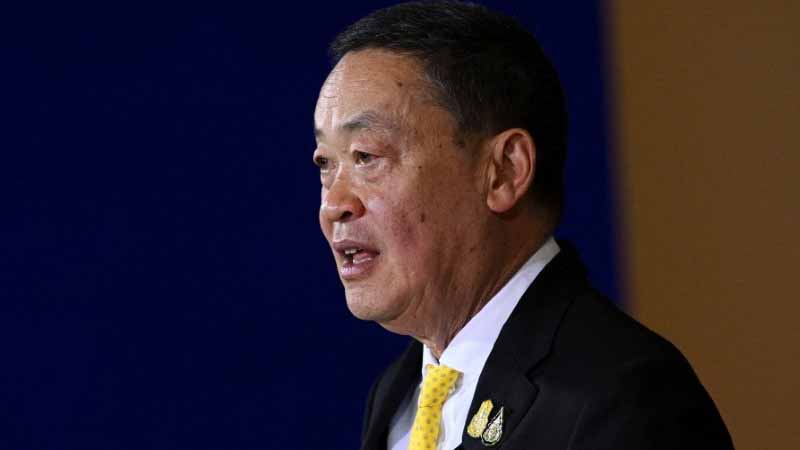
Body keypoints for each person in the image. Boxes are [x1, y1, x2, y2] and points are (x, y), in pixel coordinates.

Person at [312, 2, 733, 449]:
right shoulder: (397, 395)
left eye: (366, 156)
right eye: (324, 164)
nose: (333, 205)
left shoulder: (628, 399)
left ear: (504, 172)